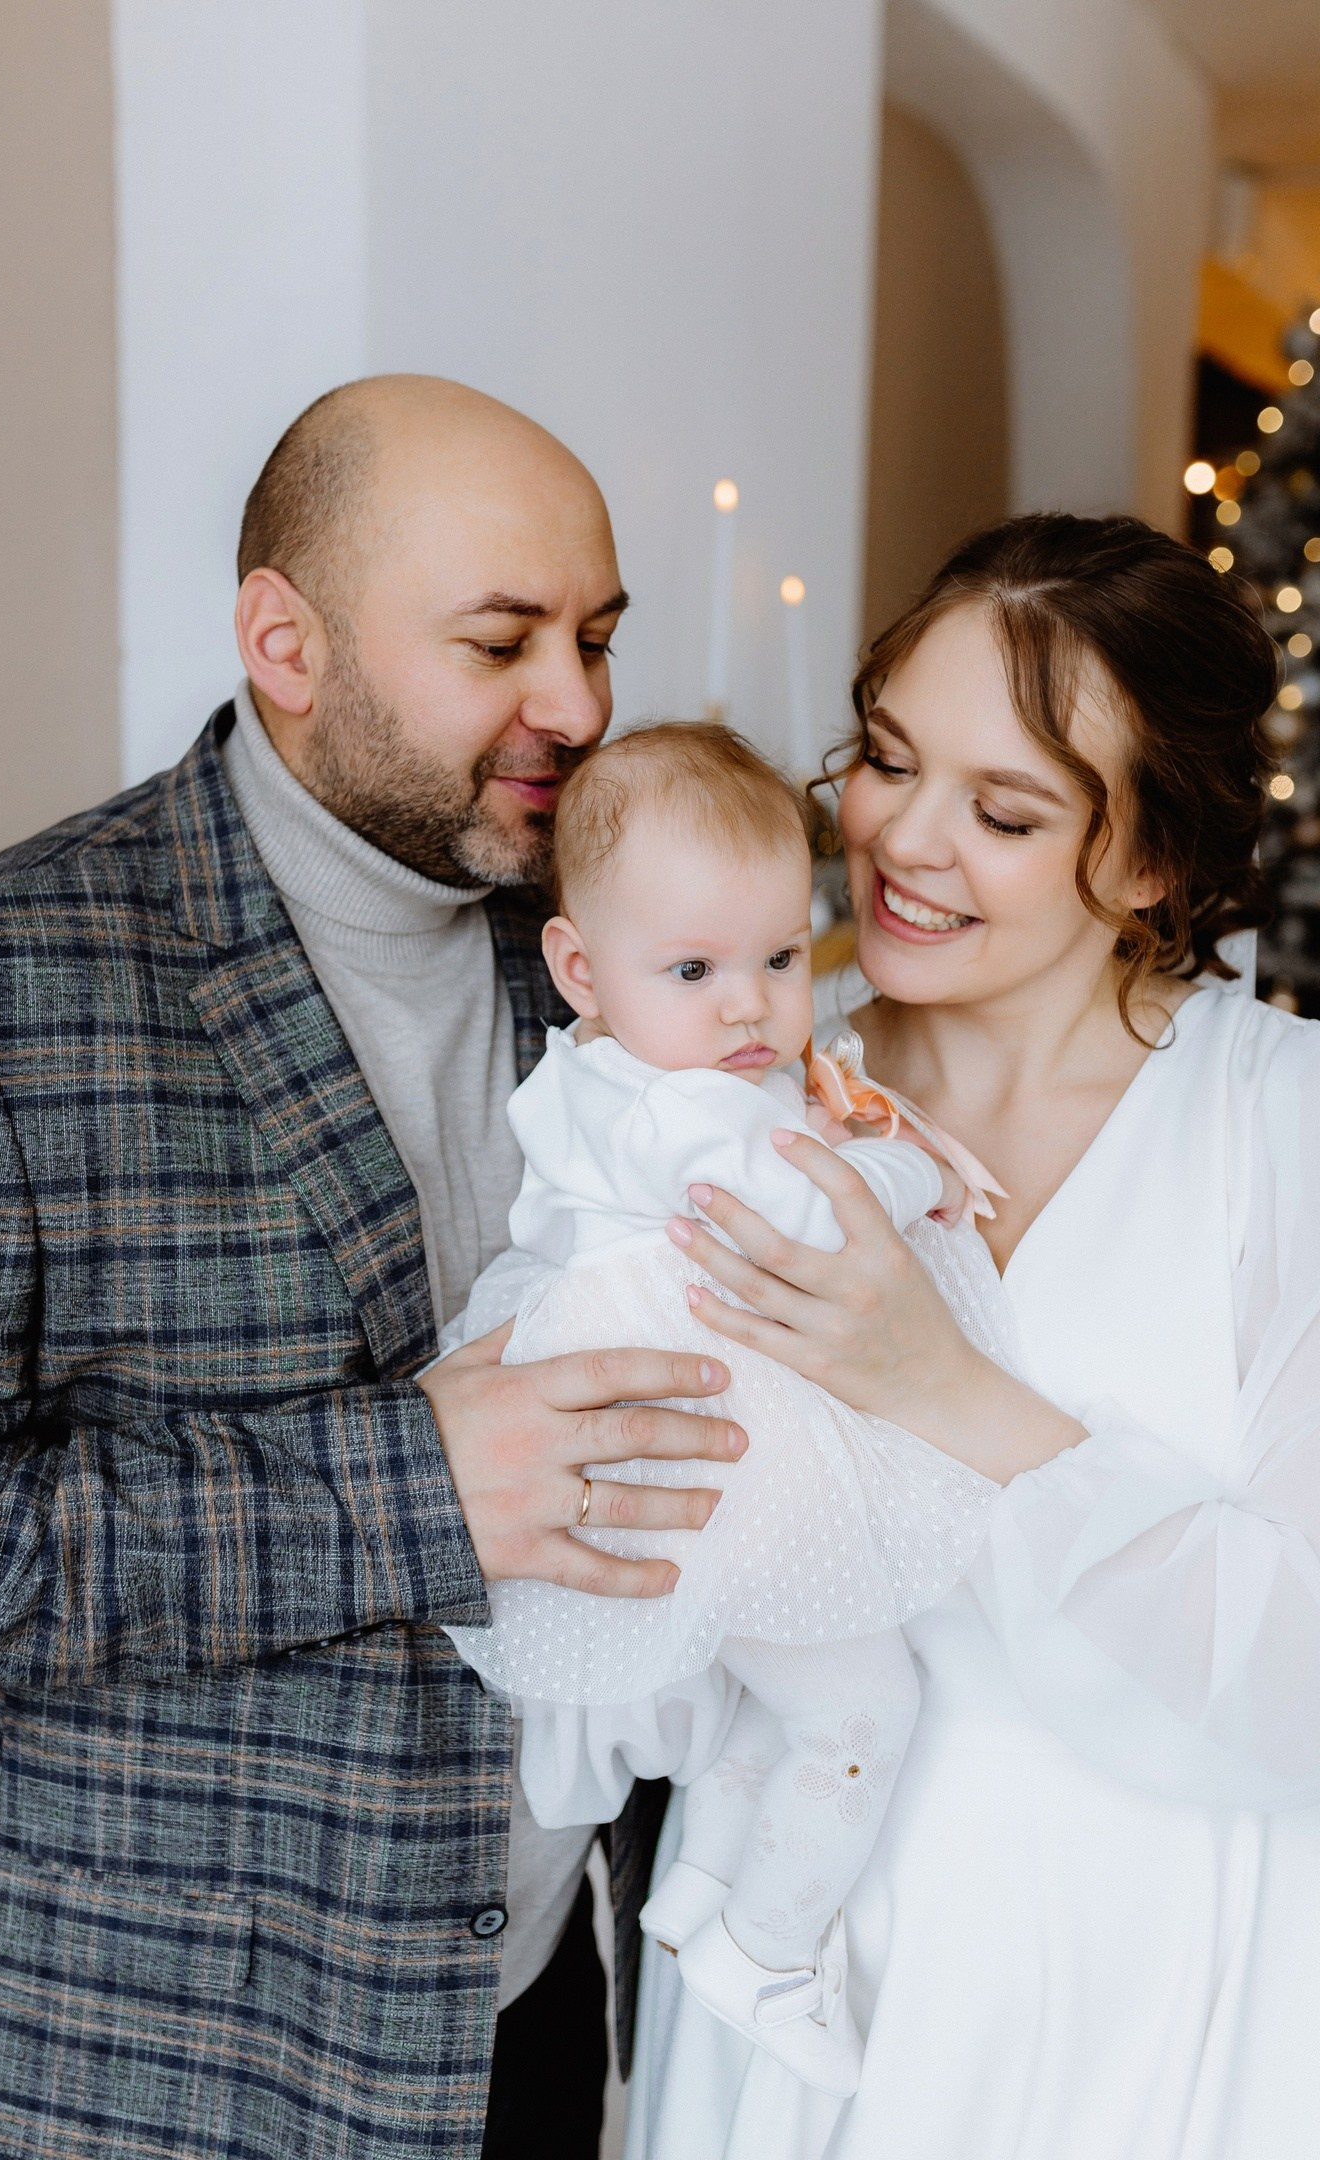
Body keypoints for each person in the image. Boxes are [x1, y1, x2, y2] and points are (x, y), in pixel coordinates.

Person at [0, 375, 744, 2160]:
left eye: (596, 639)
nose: (579, 707)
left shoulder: (606, 944)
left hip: (529, 2019)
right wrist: (408, 1487)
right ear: (285, 641)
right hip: (141, 2071)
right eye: (500, 643)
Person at [625, 513, 1320, 2160]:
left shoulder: (1279, 1129)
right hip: (795, 1957)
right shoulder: (741, 1091)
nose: (903, 841)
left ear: (1151, 864)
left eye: (1004, 812)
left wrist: (939, 1388)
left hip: (1149, 1980)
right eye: (886, 760)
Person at [442, 720, 1011, 2095]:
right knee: (867, 1707)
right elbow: (803, 1212)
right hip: (712, 1453)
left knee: (782, 1684)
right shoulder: (673, 1114)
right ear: (580, 968)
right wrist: (915, 1172)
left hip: (718, 1449)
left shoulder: (638, 1068)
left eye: (779, 957)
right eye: (695, 971)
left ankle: (701, 1890)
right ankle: (769, 1948)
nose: (751, 1007)